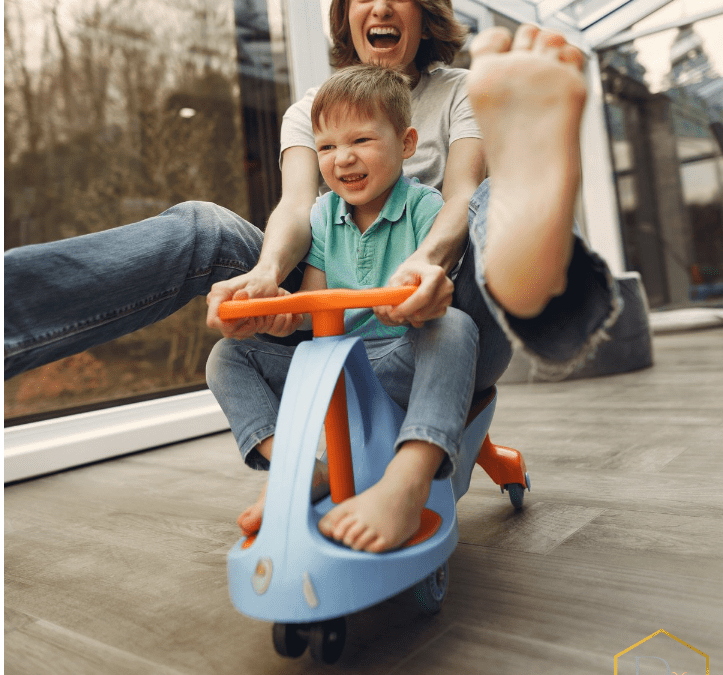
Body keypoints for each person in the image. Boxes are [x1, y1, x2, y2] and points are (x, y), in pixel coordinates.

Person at [4, 3, 619, 537]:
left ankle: (531, 266)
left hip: (446, 300)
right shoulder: (310, 110)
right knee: (202, 229)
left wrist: (427, 264)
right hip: (341, 321)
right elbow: (299, 210)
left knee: (491, 198)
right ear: (344, 13)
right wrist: (268, 279)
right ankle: (300, 467)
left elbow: (457, 197)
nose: (378, 8)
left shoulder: (472, 87)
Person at [206, 64, 480, 553]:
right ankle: (296, 468)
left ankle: (410, 477)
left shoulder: (424, 208)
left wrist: (416, 307)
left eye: (361, 141)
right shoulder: (320, 215)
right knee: (227, 357)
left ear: (408, 143)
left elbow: (434, 296)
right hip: (330, 363)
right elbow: (314, 306)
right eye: (327, 147)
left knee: (456, 328)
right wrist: (286, 313)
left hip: (397, 359)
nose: (342, 159)